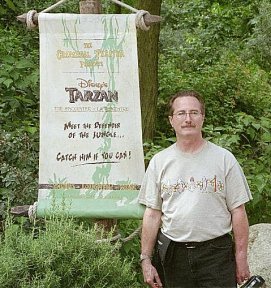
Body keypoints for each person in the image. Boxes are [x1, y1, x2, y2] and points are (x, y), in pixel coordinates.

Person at [138, 90, 252, 288]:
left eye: (194, 113)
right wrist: (146, 260)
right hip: (173, 255)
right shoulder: (159, 162)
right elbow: (152, 214)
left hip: (216, 254)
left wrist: (241, 257)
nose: (188, 119)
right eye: (181, 113)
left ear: (202, 118)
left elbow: (238, 211)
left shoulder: (224, 159)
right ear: (171, 120)